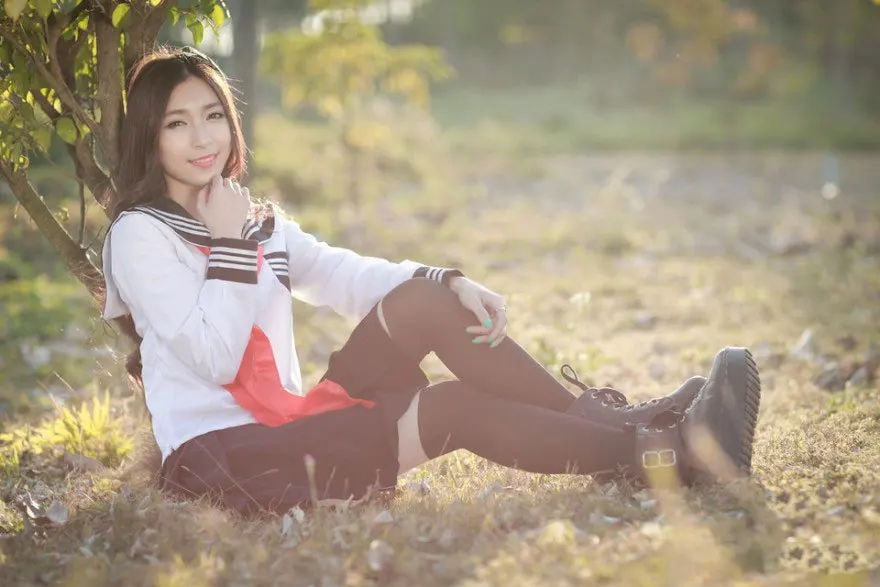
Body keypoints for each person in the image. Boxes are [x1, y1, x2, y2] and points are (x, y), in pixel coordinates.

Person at [100, 46, 761, 516]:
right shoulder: (139, 236)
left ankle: (612, 422)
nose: (202, 138)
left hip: (291, 420)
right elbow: (215, 358)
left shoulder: (252, 220)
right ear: (149, 137)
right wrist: (227, 245)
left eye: (213, 115)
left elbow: (341, 273)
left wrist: (447, 281)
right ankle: (666, 453)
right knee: (451, 408)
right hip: (224, 458)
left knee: (424, 300)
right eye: (177, 123)